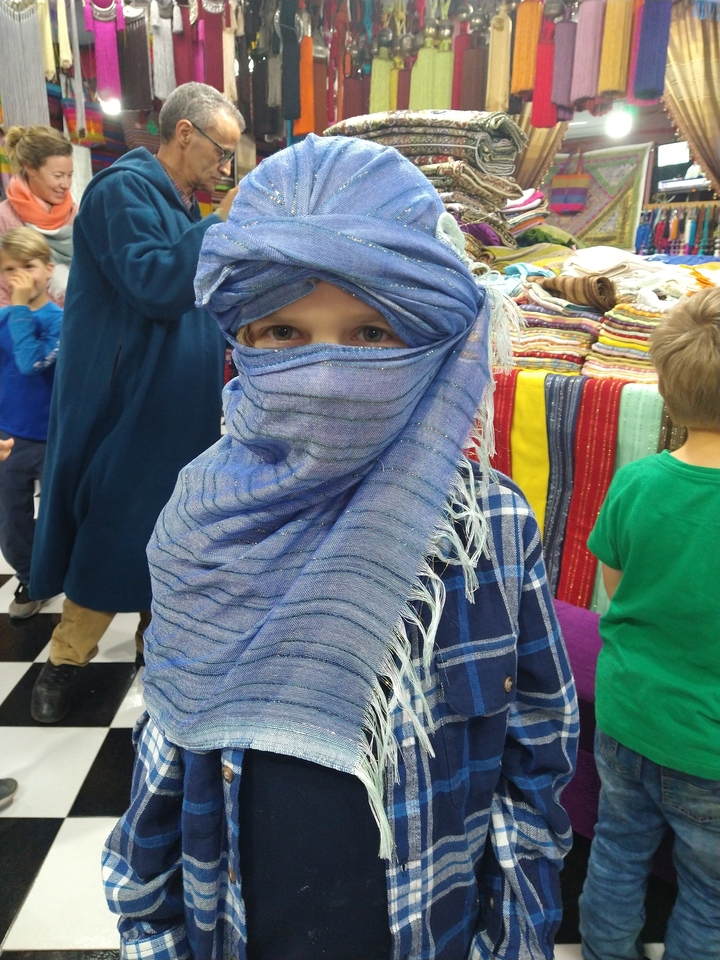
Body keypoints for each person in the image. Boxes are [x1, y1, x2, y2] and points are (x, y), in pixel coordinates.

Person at [102, 134, 578, 960]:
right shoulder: (197, 520)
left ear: (432, 338)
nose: (325, 375)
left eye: (369, 335)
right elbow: (165, 782)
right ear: (242, 341)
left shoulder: (488, 531)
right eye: (285, 333)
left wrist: (518, 941)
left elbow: (533, 769)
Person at [28, 82, 244, 725]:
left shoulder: (177, 200)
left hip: (177, 398)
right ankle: (66, 658)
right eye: (221, 150)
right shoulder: (122, 190)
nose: (224, 166)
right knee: (116, 521)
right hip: (133, 395)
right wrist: (221, 224)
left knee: (176, 528)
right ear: (183, 134)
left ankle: (161, 651)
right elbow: (154, 283)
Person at [579, 286, 720, 960]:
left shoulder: (637, 482)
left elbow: (616, 587)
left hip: (628, 717)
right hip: (709, 751)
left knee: (616, 852)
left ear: (665, 390)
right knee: (709, 892)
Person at [0, 228, 62, 618]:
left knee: (58, 513)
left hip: (54, 439)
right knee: (11, 517)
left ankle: (58, 573)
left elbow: (31, 362)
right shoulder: (5, 317)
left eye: (28, 266)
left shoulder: (61, 321)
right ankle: (30, 577)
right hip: (10, 437)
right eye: (9, 269)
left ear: (48, 268)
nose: (19, 276)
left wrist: (21, 308)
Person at [0, 126, 76, 308]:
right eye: (58, 176)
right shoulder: (4, 219)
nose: (66, 184)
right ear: (30, 168)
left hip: (76, 325)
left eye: (70, 176)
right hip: (20, 325)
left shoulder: (78, 214)